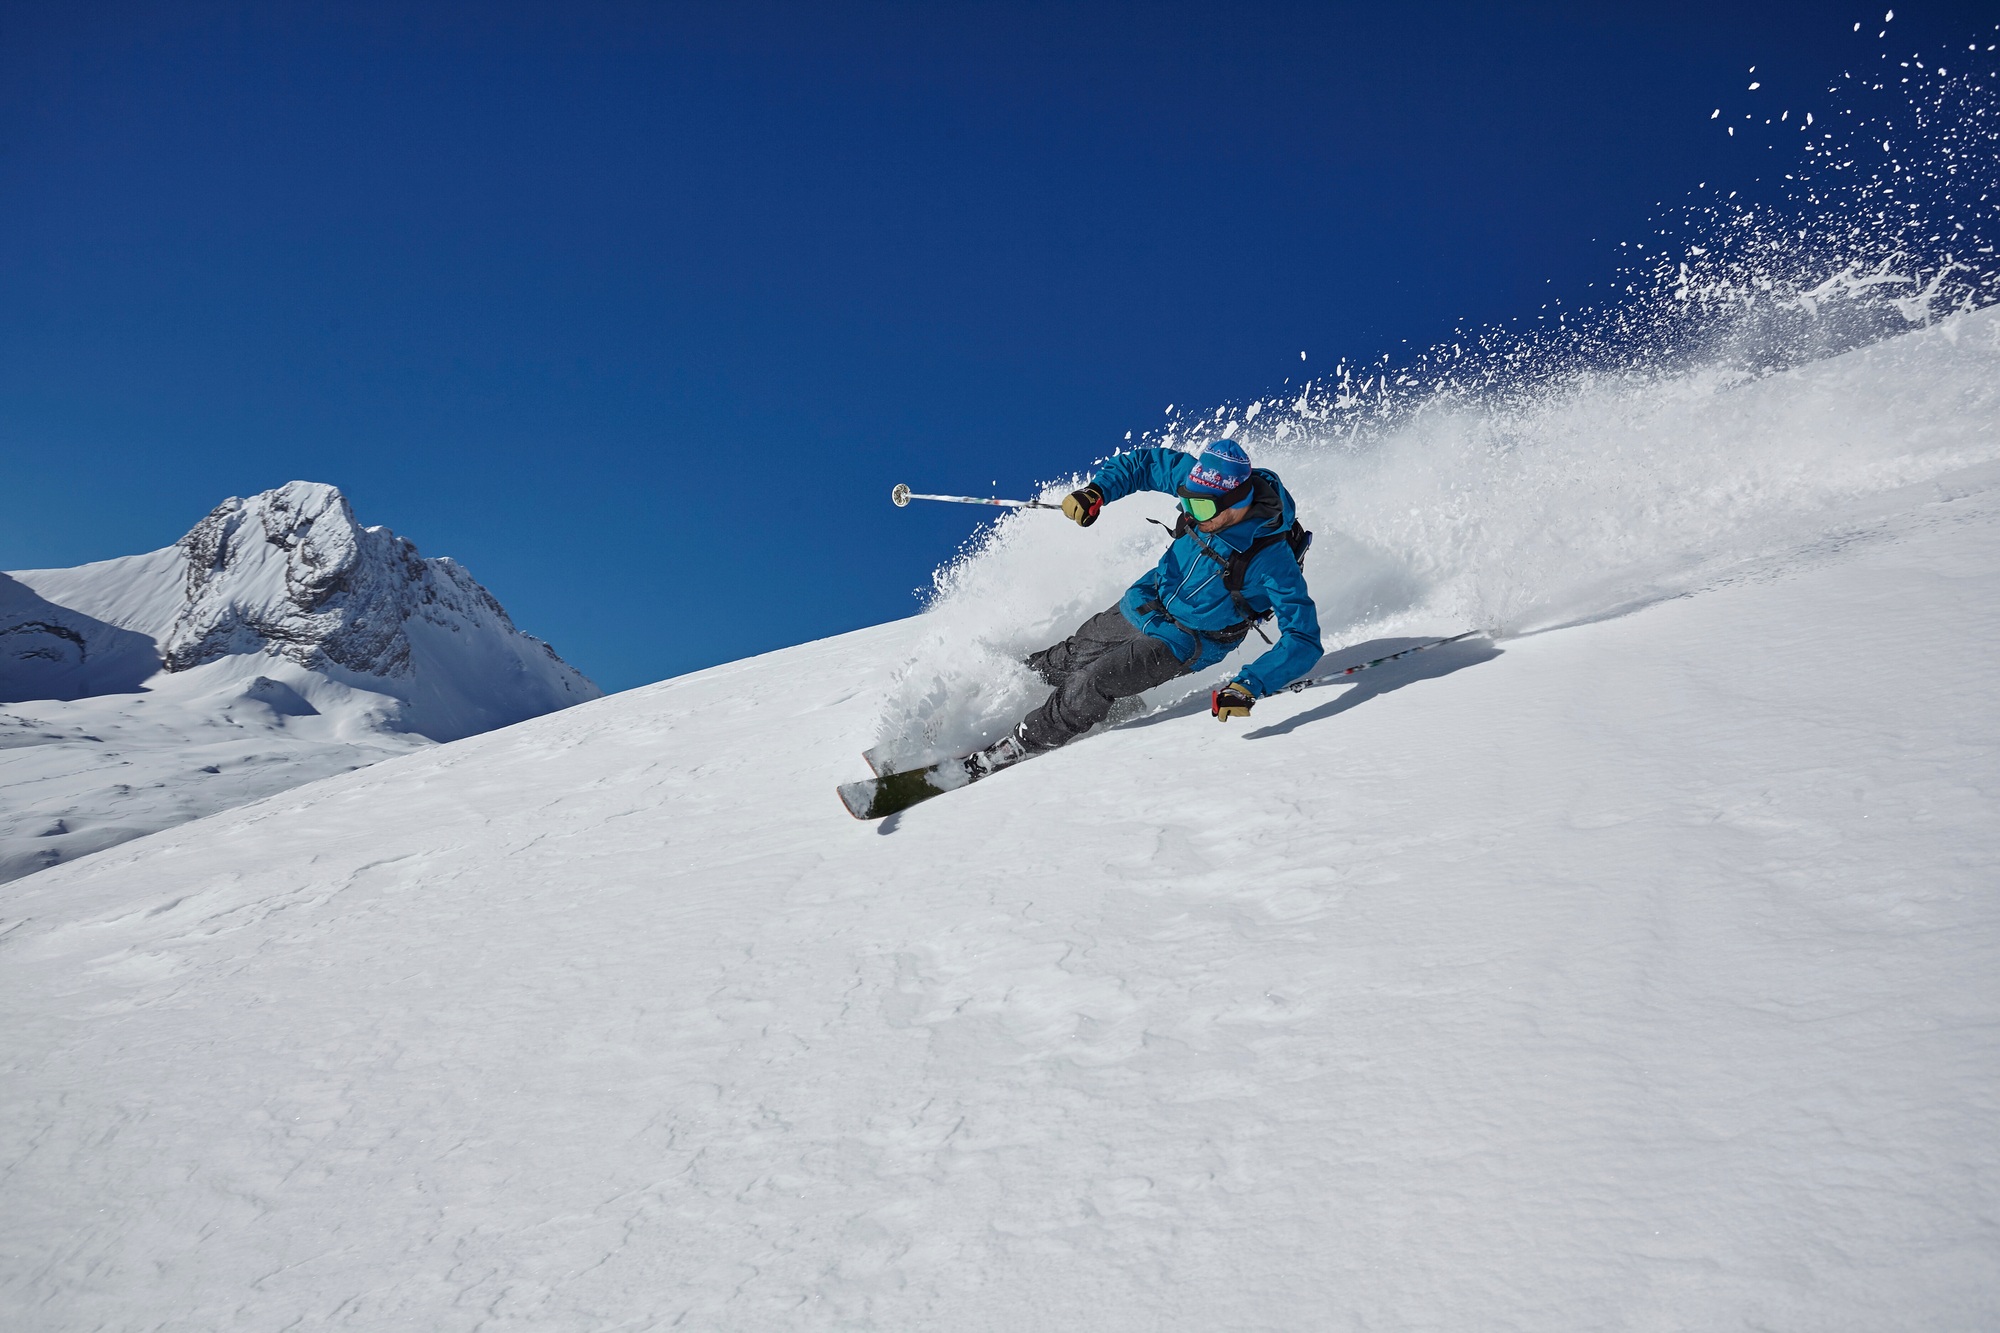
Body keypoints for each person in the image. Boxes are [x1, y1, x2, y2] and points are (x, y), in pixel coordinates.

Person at [974, 438, 1323, 772]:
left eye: (1200, 507)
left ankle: (1018, 746)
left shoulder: (1273, 560)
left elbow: (1302, 639)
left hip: (1189, 640)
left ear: (1235, 501)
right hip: (1146, 600)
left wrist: (1250, 684)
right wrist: (1098, 491)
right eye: (1186, 502)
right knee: (1068, 657)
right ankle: (994, 703)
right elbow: (1144, 465)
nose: (1191, 513)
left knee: (1093, 680)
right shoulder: (1202, 488)